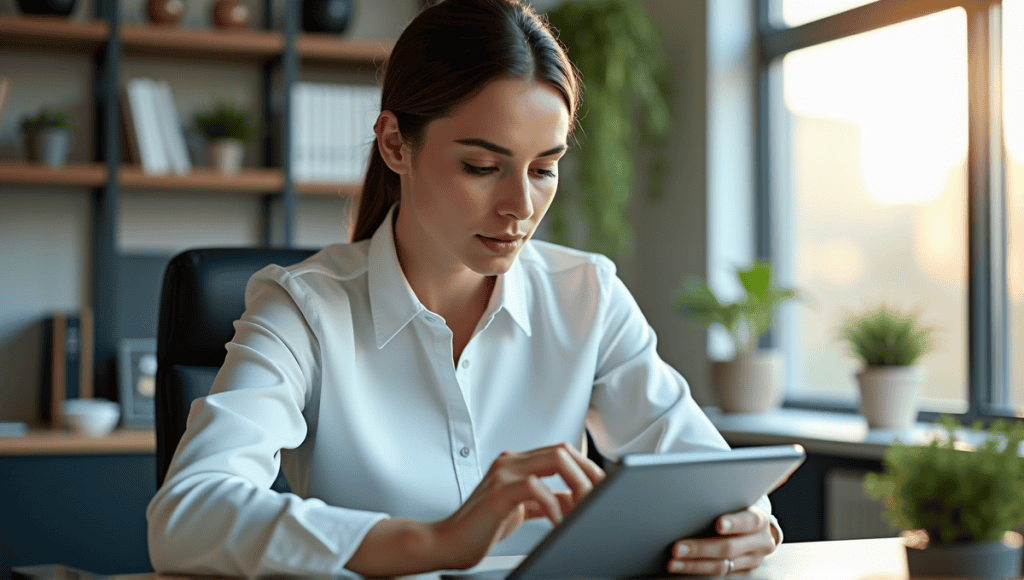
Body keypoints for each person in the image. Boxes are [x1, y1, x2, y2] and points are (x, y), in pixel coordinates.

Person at [146, 0, 783, 577]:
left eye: (544, 168)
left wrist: (744, 521)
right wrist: (436, 542)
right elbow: (187, 514)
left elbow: (705, 471)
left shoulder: (588, 295)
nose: (520, 206)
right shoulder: (303, 308)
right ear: (396, 143)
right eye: (482, 167)